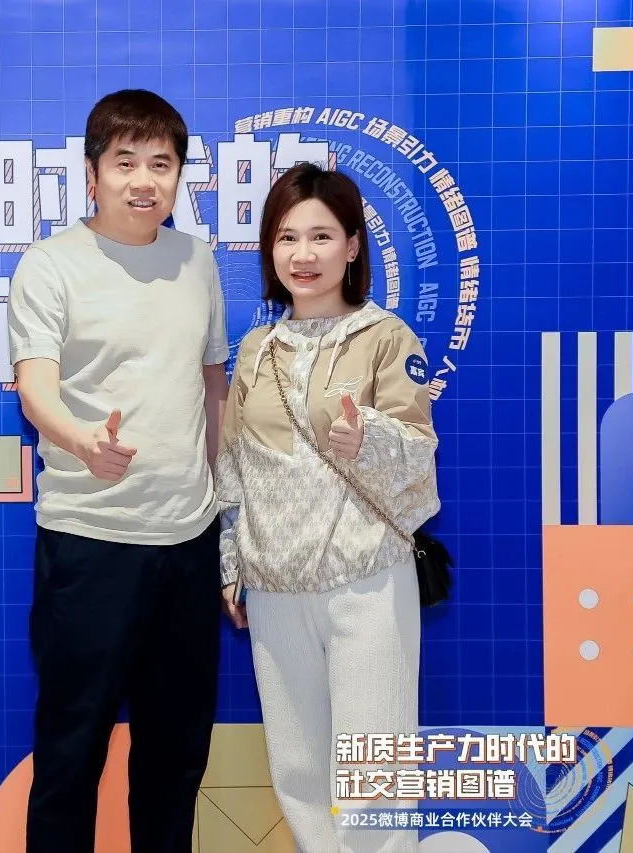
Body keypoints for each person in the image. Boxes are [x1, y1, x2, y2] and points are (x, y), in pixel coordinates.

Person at [6, 88, 230, 853]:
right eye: (125, 162)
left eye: (161, 164)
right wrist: (81, 440)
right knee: (72, 753)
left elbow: (213, 386)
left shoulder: (197, 261)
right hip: (91, 541)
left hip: (188, 545)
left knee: (176, 754)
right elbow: (34, 388)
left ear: (179, 175)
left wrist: (226, 510)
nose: (144, 180)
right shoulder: (50, 265)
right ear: (92, 173)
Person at [214, 161, 440, 853]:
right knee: (299, 768)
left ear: (352, 246)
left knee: (376, 765)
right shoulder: (256, 350)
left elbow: (420, 453)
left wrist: (365, 437)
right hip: (274, 585)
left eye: (321, 236)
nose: (303, 255)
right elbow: (233, 467)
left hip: (365, 579)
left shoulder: (386, 338)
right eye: (287, 238)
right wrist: (231, 564)